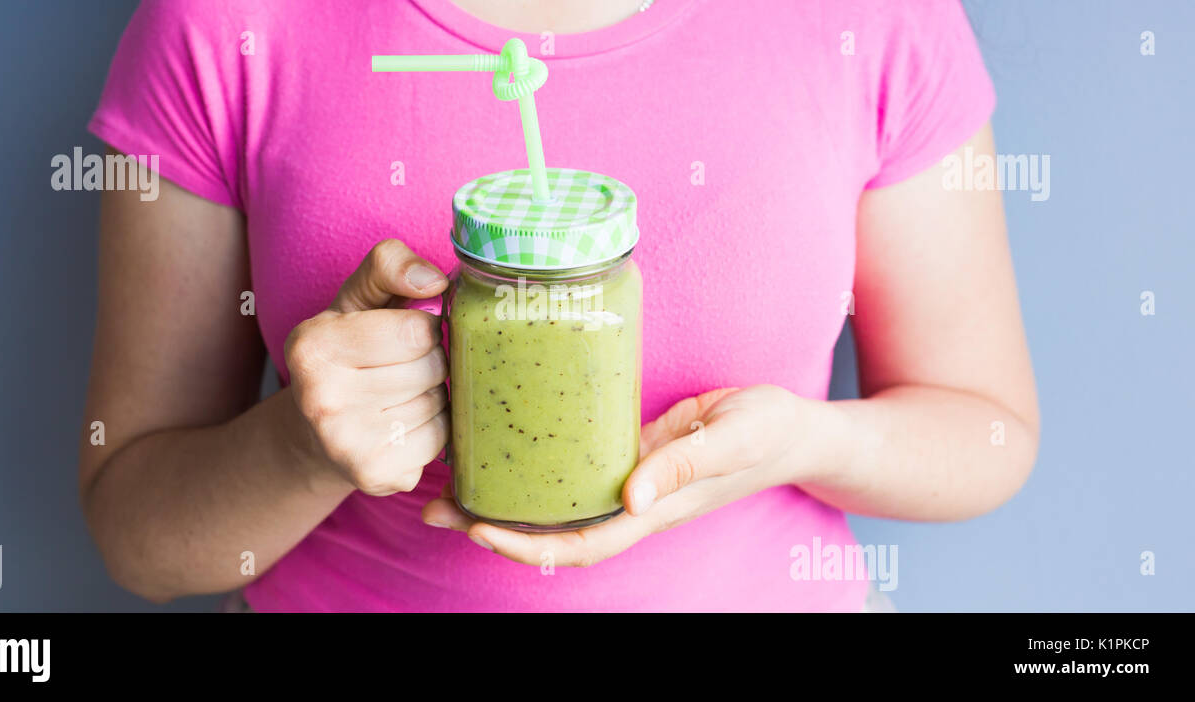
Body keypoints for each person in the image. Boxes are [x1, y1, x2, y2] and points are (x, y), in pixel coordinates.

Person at [79, 0, 1039, 612]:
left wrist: (802, 446)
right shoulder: (221, 26)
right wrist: (298, 446)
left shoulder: (874, 18)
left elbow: (985, 433)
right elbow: (136, 534)